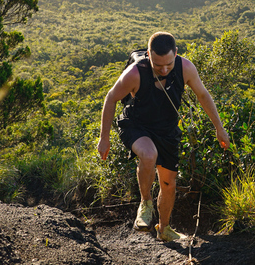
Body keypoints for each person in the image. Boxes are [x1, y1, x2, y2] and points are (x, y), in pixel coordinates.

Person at [97, 31, 230, 242]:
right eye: (158, 66)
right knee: (149, 155)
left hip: (167, 130)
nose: (165, 69)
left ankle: (164, 229)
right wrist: (104, 138)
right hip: (136, 125)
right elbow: (111, 98)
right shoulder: (135, 73)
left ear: (175, 53)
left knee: (169, 184)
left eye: (168, 63)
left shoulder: (185, 68)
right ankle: (145, 204)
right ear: (149, 55)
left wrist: (219, 128)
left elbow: (203, 95)